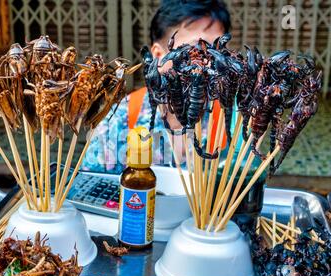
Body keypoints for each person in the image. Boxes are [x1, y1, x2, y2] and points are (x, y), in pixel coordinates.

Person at [82, 0, 232, 173]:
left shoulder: (233, 118)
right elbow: (91, 191)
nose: (208, 61)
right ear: (159, 55)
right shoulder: (123, 116)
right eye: (196, 49)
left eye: (217, 51)